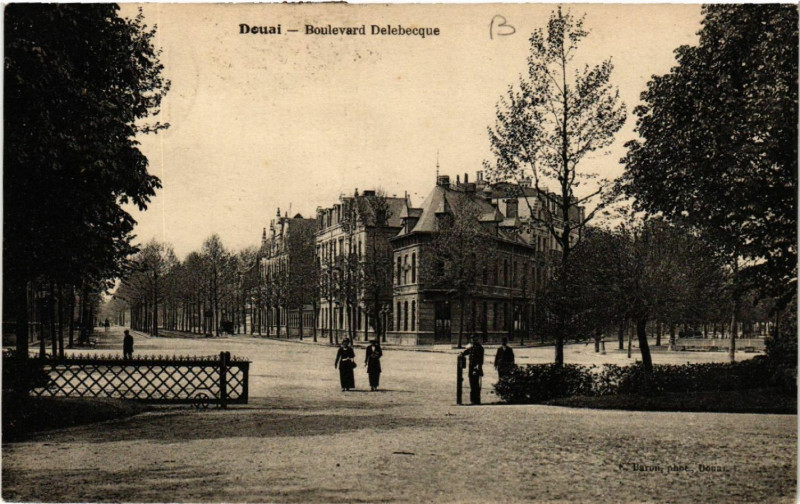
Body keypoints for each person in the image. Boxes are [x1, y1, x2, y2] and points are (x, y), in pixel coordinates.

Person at [460, 335, 484, 405]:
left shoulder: (480, 348)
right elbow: (467, 352)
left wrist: (476, 368)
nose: (473, 340)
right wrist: (462, 353)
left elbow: (480, 360)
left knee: (475, 384)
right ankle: (473, 400)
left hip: (476, 368)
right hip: (471, 368)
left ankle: (476, 400)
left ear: (477, 339)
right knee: (472, 384)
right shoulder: (472, 347)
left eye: (474, 339)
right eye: (472, 339)